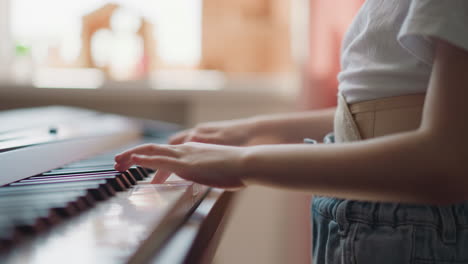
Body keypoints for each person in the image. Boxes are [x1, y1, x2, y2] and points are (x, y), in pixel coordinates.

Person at [114, 0, 468, 263]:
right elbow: (375, 113)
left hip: (412, 233)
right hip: (378, 225)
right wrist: (250, 131)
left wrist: (242, 163)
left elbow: (446, 164)